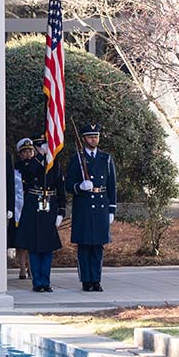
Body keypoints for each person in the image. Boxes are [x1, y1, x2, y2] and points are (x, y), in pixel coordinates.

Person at [66, 123, 117, 292]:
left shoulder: (106, 158)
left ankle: (96, 280)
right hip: (84, 206)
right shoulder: (77, 159)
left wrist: (111, 209)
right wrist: (79, 187)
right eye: (90, 137)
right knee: (84, 245)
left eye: (96, 136)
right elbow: (68, 185)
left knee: (97, 246)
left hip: (101, 206)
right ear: (84, 139)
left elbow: (112, 185)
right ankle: (86, 281)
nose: (93, 140)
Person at [14, 137, 65, 292]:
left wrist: (61, 211)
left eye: (32, 150)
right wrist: (41, 158)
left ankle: (46, 281)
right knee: (35, 246)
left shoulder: (52, 163)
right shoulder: (24, 165)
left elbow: (59, 186)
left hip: (49, 206)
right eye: (28, 151)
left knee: (47, 247)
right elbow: (31, 172)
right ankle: (37, 282)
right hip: (33, 206)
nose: (29, 153)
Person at [11, 140, 32, 280]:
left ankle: (31, 267)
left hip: (32, 206)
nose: (28, 154)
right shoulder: (16, 169)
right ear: (20, 154)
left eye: (30, 151)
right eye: (25, 151)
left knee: (32, 240)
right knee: (20, 240)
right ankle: (22, 268)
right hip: (19, 208)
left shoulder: (37, 166)